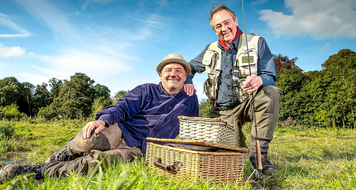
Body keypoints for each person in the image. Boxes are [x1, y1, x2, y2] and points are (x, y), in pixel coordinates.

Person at [0, 53, 199, 183]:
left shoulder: (190, 99)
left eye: (179, 70)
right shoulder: (146, 90)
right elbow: (123, 105)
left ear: (185, 76)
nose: (173, 74)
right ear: (160, 74)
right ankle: (64, 153)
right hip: (123, 130)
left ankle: (33, 171)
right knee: (90, 138)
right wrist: (103, 119)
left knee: (97, 163)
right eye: (168, 70)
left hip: (140, 148)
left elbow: (193, 129)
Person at [183, 4, 282, 175]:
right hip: (222, 111)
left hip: (249, 102)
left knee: (271, 93)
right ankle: (236, 147)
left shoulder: (257, 42)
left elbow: (270, 76)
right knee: (212, 153)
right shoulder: (210, 49)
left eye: (226, 22)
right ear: (214, 30)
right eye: (218, 26)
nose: (223, 29)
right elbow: (189, 67)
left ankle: (259, 156)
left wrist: (260, 80)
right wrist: (189, 80)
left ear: (235, 21)